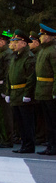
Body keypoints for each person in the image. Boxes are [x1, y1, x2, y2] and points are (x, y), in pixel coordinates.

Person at [7, 30, 36, 153]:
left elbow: (31, 78)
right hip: (15, 93)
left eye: (17, 42)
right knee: (19, 122)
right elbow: (9, 76)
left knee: (27, 122)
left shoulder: (29, 57)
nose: (14, 43)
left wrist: (27, 94)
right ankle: (24, 143)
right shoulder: (15, 56)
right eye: (14, 41)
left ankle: (29, 145)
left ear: (24, 43)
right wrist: (8, 92)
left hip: (23, 92)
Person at [35, 23, 56, 155]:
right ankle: (50, 144)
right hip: (42, 89)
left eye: (43, 35)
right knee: (47, 121)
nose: (41, 37)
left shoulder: (52, 51)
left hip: (49, 90)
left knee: (53, 120)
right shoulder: (43, 50)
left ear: (50, 37)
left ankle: (54, 145)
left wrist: (55, 91)